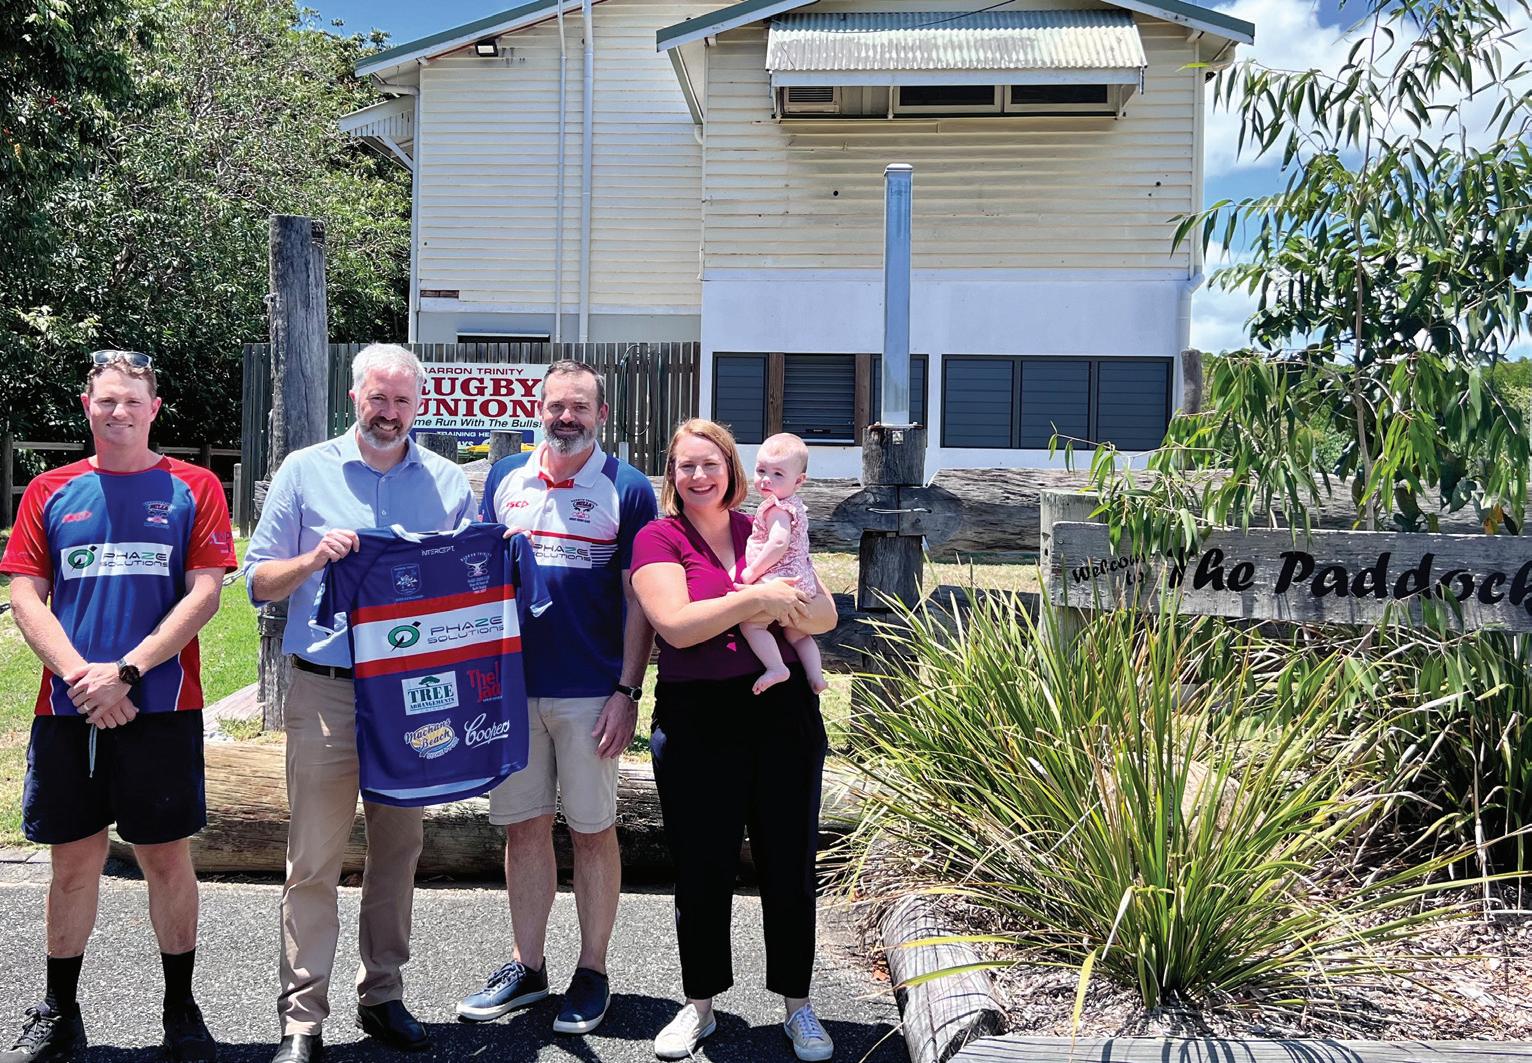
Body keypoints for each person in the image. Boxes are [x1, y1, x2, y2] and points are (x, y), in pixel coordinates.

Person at [0, 350, 237, 1063]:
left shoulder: (195, 486)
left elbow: (206, 592)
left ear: (154, 408)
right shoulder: (50, 490)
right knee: (73, 865)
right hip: (68, 707)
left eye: (132, 401)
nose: (119, 412)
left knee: (166, 860)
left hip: (160, 706)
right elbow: (24, 594)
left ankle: (181, 1011)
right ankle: (59, 1011)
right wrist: (84, 678)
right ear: (87, 406)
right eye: (106, 400)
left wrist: (127, 672)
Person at [244, 343, 475, 1063]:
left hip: (411, 695)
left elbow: (466, 589)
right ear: (355, 397)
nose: (389, 412)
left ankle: (382, 994)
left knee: (398, 850)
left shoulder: (446, 483)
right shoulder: (304, 470)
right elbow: (256, 581)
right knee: (313, 856)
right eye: (378, 397)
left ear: (419, 404)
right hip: (327, 688)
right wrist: (315, 558)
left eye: (403, 400)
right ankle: (302, 1016)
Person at [456, 360, 657, 1035]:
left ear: (601, 414)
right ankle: (528, 966)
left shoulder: (628, 489)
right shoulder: (504, 478)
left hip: (591, 692)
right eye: (556, 406)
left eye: (580, 407)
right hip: (510, 690)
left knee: (593, 831)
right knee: (523, 827)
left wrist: (628, 690)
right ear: (538, 409)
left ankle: (592, 970)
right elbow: (480, 576)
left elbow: (640, 600)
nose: (566, 417)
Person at [629, 419, 839, 1062]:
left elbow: (824, 614)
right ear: (672, 474)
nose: (699, 476)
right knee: (702, 866)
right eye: (686, 465)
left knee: (789, 863)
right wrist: (758, 601)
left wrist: (771, 600)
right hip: (699, 718)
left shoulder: (766, 523)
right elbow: (676, 624)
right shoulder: (659, 537)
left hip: (783, 715)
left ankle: (798, 1006)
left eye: (711, 464)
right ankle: (699, 1005)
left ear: (732, 470)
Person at [736, 432, 828, 696]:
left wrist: (752, 571)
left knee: (751, 625)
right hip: (802, 580)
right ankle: (816, 676)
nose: (766, 479)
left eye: (778, 474)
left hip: (779, 579)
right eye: (761, 470)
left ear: (799, 481)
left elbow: (778, 543)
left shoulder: (776, 508)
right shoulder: (794, 505)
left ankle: (776, 667)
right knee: (797, 634)